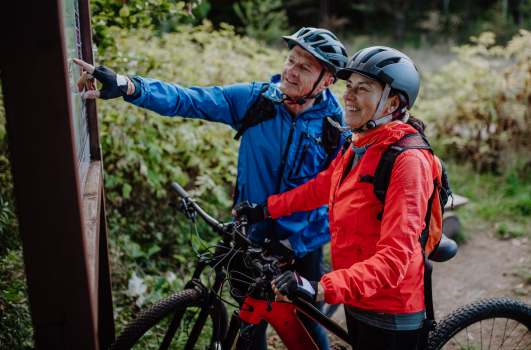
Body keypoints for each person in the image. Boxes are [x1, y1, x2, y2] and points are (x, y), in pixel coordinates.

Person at [74, 27, 350, 350]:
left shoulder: (338, 130)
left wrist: (295, 244)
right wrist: (129, 86)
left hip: (301, 245)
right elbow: (189, 100)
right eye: (291, 59)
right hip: (251, 235)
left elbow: (341, 203)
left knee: (307, 320)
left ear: (327, 80)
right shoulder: (256, 100)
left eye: (305, 67)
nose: (291, 70)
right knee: (249, 326)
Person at [233, 46, 434, 350]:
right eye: (348, 86)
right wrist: (265, 210)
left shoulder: (407, 161)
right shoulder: (360, 144)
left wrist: (317, 286)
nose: (348, 96)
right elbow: (322, 186)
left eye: (362, 88)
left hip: (388, 309)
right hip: (355, 294)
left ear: (393, 101)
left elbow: (395, 260)